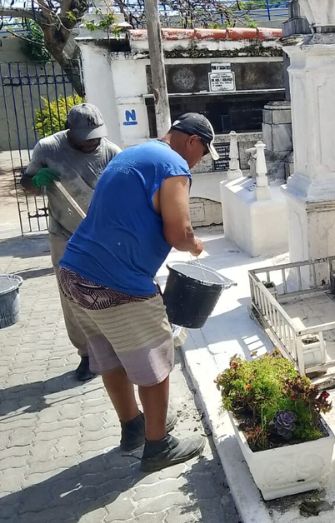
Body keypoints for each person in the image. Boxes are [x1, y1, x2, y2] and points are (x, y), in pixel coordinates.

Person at [57, 113, 220, 471]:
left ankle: (133, 427)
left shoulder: (134, 153)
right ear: (192, 141)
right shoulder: (174, 164)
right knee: (155, 362)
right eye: (203, 153)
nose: (199, 161)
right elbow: (179, 232)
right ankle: (158, 445)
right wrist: (195, 246)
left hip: (74, 275)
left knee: (110, 356)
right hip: (116, 284)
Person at [20, 103, 121, 382]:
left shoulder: (112, 152)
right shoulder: (48, 149)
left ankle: (114, 349)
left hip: (101, 236)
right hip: (64, 234)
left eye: (96, 135)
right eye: (85, 137)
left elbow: (126, 192)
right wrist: (36, 180)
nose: (92, 142)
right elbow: (26, 183)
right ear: (70, 132)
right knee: (72, 297)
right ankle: (87, 355)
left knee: (109, 293)